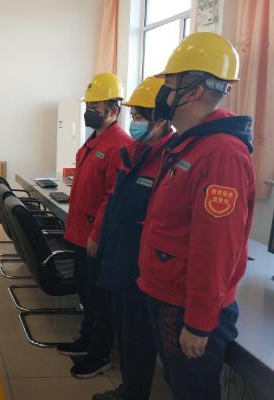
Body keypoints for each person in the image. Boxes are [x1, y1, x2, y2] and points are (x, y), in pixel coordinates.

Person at [138, 32, 255, 400]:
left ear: (195, 90)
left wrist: (199, 322)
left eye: (171, 84)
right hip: (168, 293)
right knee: (179, 385)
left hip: (185, 306)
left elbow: (215, 247)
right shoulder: (190, 143)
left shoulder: (221, 154)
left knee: (193, 391)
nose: (164, 94)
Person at [91, 77, 173, 400]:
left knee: (139, 339)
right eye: (134, 116)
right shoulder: (135, 153)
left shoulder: (167, 160)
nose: (134, 123)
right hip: (121, 261)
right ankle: (129, 390)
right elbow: (115, 201)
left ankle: (134, 392)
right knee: (127, 334)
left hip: (142, 268)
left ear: (161, 121)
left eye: (140, 117)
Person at [58, 73, 134, 378]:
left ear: (114, 109)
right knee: (86, 292)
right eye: (88, 105)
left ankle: (99, 353)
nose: (89, 111)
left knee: (100, 299)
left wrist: (97, 233)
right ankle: (86, 338)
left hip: (95, 237)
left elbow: (112, 197)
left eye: (95, 106)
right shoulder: (94, 141)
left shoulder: (120, 145)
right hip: (79, 231)